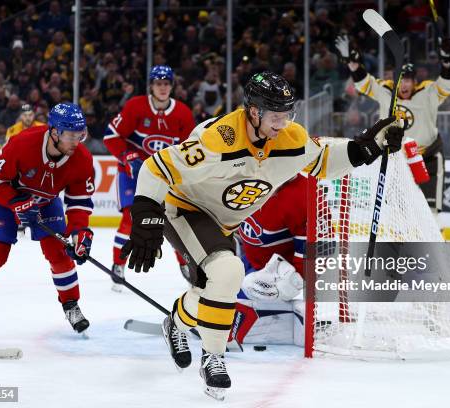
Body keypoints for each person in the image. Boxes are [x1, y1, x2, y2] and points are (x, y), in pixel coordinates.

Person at [120, 71, 403, 399]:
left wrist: (369, 146)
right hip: (186, 209)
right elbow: (156, 167)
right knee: (228, 272)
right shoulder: (219, 138)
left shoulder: (290, 138)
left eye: (287, 114)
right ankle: (213, 359)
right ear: (253, 111)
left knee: (217, 288)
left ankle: (177, 322)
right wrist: (145, 220)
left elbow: (323, 161)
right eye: (275, 116)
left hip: (223, 224)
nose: (283, 123)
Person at [0, 103, 96, 340]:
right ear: (55, 132)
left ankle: (71, 304)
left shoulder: (81, 158)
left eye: (80, 135)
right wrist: (17, 203)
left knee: (60, 253)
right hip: (5, 198)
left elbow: (79, 203)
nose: (77, 141)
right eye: (71, 135)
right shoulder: (22, 143)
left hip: (46, 201)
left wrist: (80, 232)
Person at [337, 35, 450, 222]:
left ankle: (436, 248)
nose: (404, 84)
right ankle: (402, 247)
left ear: (415, 81)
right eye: (401, 80)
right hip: (397, 159)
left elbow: (448, 84)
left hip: (428, 156)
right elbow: (364, 84)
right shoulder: (386, 91)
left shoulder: (429, 92)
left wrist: (447, 62)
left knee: (431, 210)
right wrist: (353, 65)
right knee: (397, 208)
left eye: (408, 80)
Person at [103, 65, 194, 291]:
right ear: (151, 87)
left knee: (174, 219)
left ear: (171, 86)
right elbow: (111, 136)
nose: (162, 88)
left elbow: (191, 148)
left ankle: (185, 263)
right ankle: (118, 263)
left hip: (164, 177)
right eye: (158, 83)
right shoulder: (135, 107)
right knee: (129, 219)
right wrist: (128, 156)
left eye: (166, 84)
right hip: (132, 174)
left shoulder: (182, 113)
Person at [229, 174, 309, 349]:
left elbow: (318, 248)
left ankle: (270, 319)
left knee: (243, 292)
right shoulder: (244, 179)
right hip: (251, 263)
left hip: (280, 274)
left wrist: (297, 279)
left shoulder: (302, 195)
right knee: (216, 289)